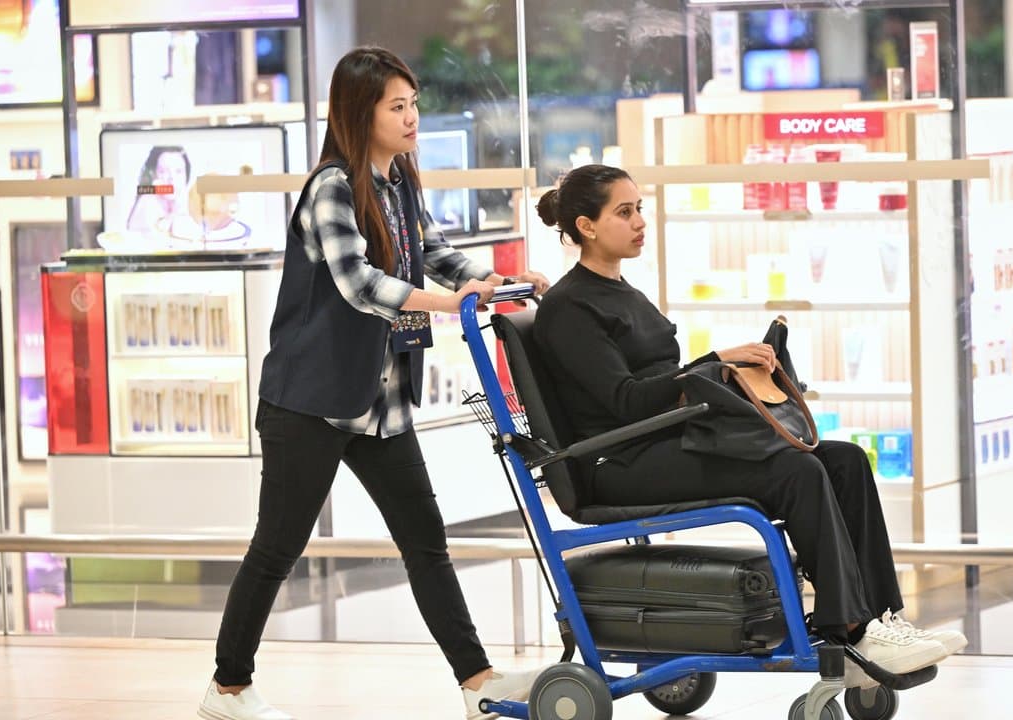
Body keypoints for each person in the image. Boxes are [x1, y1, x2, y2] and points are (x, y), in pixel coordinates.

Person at [198, 47, 551, 720]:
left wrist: (501, 281)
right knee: (277, 547)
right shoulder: (333, 185)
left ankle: (476, 681)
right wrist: (449, 304)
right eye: (397, 106)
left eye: (413, 103)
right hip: (310, 401)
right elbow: (359, 284)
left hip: (379, 398)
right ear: (362, 114)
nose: (412, 117)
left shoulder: (399, 182)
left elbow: (434, 255)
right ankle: (227, 688)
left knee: (425, 540)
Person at [530, 164, 967, 689]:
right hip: (619, 461)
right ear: (587, 226)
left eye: (640, 208)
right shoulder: (568, 308)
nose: (640, 221)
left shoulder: (622, 290)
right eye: (625, 212)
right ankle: (847, 629)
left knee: (843, 459)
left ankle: (881, 617)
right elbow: (625, 403)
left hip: (669, 439)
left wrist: (723, 370)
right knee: (795, 471)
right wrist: (712, 363)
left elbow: (658, 384)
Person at [126, 145, 198, 237]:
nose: (171, 178)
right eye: (163, 171)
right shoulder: (147, 201)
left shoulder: (192, 204)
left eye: (179, 171)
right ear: (153, 174)